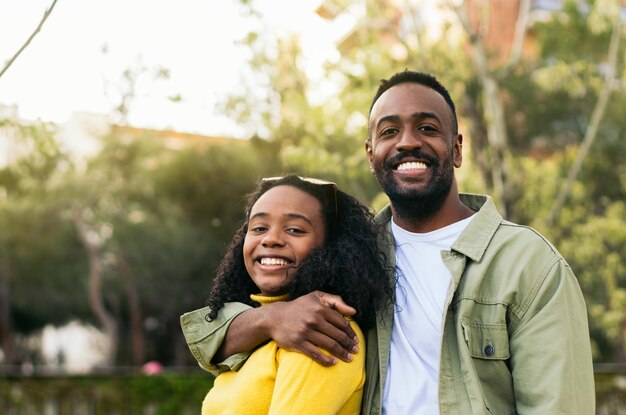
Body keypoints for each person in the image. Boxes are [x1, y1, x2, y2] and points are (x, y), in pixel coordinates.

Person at [180, 71, 596, 414]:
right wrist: (272, 319)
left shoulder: (527, 264)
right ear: (371, 152)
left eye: (427, 129)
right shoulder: (349, 256)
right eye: (390, 131)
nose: (408, 142)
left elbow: (559, 404)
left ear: (456, 149)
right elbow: (209, 333)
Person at [181, 175, 392, 414]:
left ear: (333, 247)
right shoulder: (262, 331)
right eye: (259, 228)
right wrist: (272, 317)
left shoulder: (320, 331)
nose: (270, 239)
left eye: (295, 229)